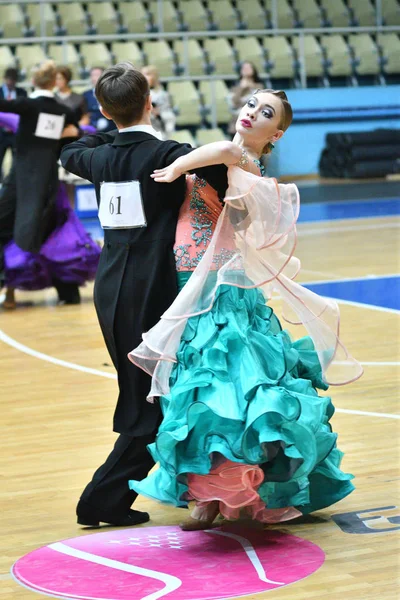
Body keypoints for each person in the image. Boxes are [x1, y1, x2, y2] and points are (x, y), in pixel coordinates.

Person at [128, 89, 363, 530]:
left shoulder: (238, 156)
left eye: (265, 112)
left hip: (216, 285)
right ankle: (213, 492)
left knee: (221, 391)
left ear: (277, 133)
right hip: (198, 278)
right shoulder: (240, 164)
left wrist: (176, 166)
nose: (252, 112)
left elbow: (220, 148)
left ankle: (218, 494)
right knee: (207, 391)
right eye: (251, 104)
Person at [60, 62, 227, 527]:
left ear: (101, 108)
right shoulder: (168, 154)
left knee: (144, 394)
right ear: (150, 100)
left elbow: (71, 151)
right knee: (148, 402)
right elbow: (223, 160)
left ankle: (180, 488)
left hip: (109, 286)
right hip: (154, 290)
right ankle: (102, 499)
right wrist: (179, 161)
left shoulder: (97, 157)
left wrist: (109, 132)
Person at [0, 60, 93, 307]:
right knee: (54, 232)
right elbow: (78, 131)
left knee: (11, 227)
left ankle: (8, 288)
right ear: (54, 82)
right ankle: (68, 293)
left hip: (20, 179)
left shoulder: (26, 105)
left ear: (33, 82)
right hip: (47, 180)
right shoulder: (64, 111)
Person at [0, 68, 27, 182]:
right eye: (9, 80)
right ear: (5, 79)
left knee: (18, 160)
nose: (10, 83)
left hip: (16, 133)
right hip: (1, 133)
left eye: (13, 80)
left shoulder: (22, 93)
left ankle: (14, 182)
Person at [228, 61, 264, 135]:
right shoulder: (235, 88)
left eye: (248, 67)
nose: (246, 69)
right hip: (237, 123)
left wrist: (249, 87)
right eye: (244, 68)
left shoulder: (259, 87)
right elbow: (233, 104)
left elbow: (258, 102)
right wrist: (242, 88)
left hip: (253, 123)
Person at [142, 65, 176, 138]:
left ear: (154, 76)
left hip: (159, 133)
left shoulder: (163, 95)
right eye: (142, 74)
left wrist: (158, 114)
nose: (144, 77)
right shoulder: (138, 95)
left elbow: (169, 117)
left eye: (147, 74)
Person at [83, 66, 115, 132]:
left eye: (97, 75)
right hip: (91, 130)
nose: (94, 78)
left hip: (111, 129)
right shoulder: (85, 95)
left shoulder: (112, 93)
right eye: (92, 75)